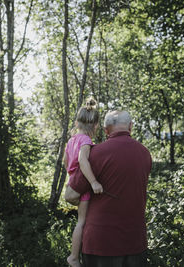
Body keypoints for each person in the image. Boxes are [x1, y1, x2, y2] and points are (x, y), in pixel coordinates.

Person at [65, 110, 152, 267]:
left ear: (105, 130)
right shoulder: (145, 154)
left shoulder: (96, 154)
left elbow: (70, 195)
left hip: (101, 245)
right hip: (135, 243)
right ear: (130, 127)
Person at [64, 98, 104, 267]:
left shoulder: (72, 140)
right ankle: (73, 256)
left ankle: (75, 255)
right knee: (82, 222)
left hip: (74, 181)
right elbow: (82, 160)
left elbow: (66, 161)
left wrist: (71, 177)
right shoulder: (86, 141)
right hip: (84, 186)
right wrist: (94, 181)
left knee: (81, 220)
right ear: (94, 125)